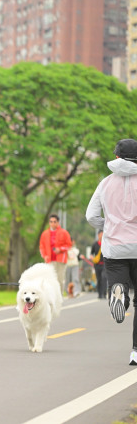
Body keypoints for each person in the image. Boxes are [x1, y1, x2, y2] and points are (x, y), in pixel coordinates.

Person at [86, 138, 137, 366]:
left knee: (118, 284)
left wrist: (108, 226)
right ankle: (136, 352)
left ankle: (119, 294)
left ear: (116, 157)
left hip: (114, 248)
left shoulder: (105, 183)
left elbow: (91, 216)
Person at [39, 214, 72, 295]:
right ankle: (51, 296)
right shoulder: (45, 234)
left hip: (60, 260)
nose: (53, 223)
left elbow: (69, 245)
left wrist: (60, 249)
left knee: (60, 279)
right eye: (51, 222)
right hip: (49, 260)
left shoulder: (64, 232)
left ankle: (59, 296)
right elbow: (42, 247)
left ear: (58, 222)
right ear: (49, 223)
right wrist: (44, 256)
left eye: (54, 222)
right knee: (50, 279)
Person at [89, 230, 107, 299]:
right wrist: (91, 257)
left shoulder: (106, 244)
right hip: (97, 265)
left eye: (103, 234)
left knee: (104, 278)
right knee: (99, 279)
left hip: (105, 264)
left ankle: (104, 294)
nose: (102, 236)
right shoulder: (95, 244)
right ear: (98, 235)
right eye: (100, 234)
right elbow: (91, 253)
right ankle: (100, 294)